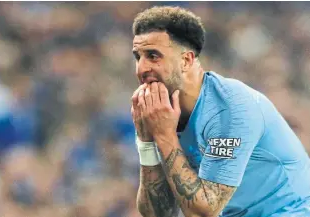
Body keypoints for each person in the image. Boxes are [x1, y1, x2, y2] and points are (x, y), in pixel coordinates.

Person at [131, 6, 310, 217]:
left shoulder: (230, 108)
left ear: (186, 60)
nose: (141, 69)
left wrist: (164, 135)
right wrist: (146, 142)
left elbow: (204, 212)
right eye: (137, 57)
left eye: (153, 56)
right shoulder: (159, 112)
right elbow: (157, 214)